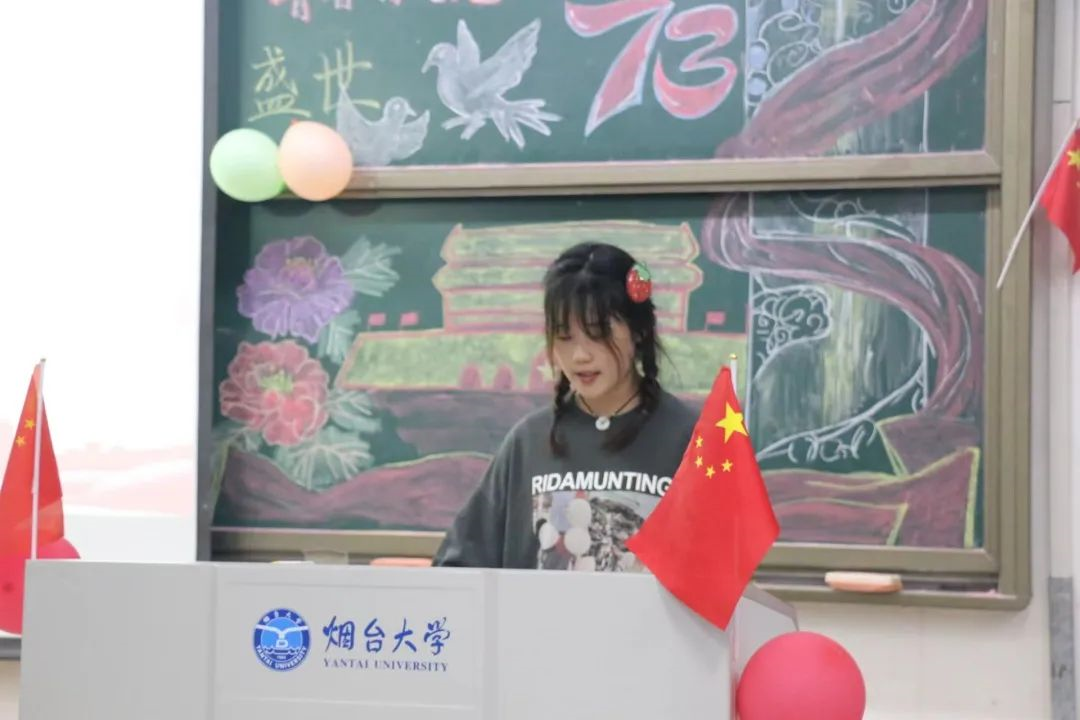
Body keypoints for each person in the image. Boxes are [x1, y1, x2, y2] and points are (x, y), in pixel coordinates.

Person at [432, 242, 698, 571]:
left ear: (638, 331)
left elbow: (721, 574)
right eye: (564, 337)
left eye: (598, 334)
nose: (580, 356)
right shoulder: (528, 442)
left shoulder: (690, 440)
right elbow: (460, 564)